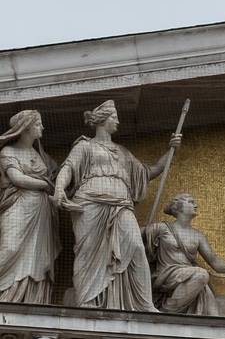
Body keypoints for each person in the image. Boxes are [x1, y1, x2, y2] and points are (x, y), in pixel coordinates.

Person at [53, 101, 180, 311]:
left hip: (121, 204)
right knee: (89, 252)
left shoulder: (123, 153)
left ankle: (143, 304)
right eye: (114, 117)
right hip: (89, 204)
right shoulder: (85, 146)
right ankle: (86, 300)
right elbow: (68, 168)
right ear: (102, 120)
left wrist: (172, 151)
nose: (118, 121)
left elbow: (150, 171)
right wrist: (59, 189)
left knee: (136, 246)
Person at [147, 193, 225, 315]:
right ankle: (166, 311)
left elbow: (214, 262)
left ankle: (169, 311)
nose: (196, 205)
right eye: (191, 202)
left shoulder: (197, 236)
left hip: (190, 276)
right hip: (166, 274)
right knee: (201, 275)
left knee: (209, 304)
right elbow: (136, 239)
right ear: (178, 207)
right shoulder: (161, 228)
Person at [0, 109, 59, 304]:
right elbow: (17, 178)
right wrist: (44, 185)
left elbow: (58, 174)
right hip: (18, 207)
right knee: (9, 248)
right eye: (37, 123)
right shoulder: (8, 151)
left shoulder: (41, 155)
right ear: (25, 128)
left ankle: (30, 299)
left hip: (41, 212)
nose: (42, 127)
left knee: (37, 258)